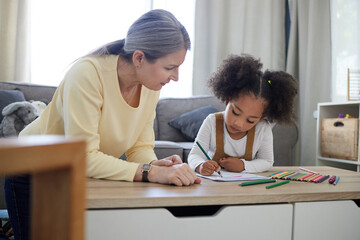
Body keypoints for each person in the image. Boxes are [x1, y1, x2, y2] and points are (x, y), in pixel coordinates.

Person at [5, 9, 200, 240]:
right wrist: (150, 172)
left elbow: (139, 147)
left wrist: (158, 165)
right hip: (35, 170)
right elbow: (84, 156)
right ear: (139, 58)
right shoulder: (88, 74)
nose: (176, 77)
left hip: (74, 176)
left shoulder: (150, 85)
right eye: (170, 68)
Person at [188, 54, 298, 176]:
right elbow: (195, 155)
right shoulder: (211, 122)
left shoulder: (262, 128)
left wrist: (243, 165)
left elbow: (267, 161)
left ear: (261, 117)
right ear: (227, 100)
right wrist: (200, 165)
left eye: (250, 121)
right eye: (235, 112)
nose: (238, 123)